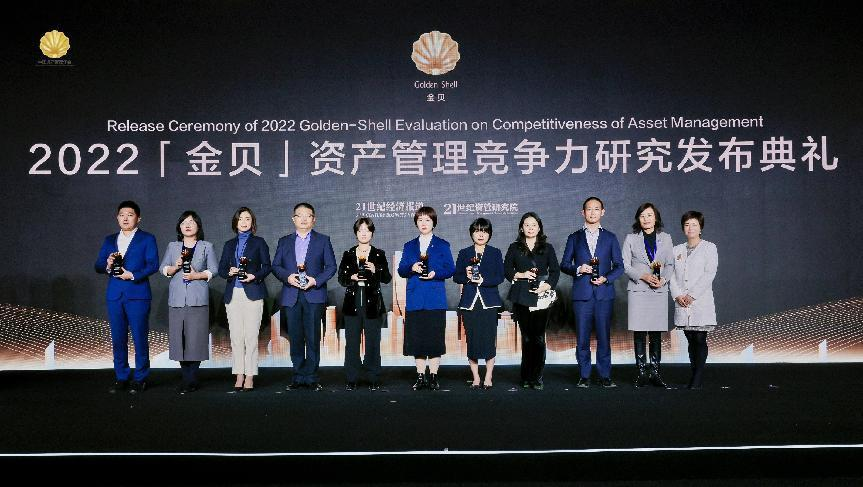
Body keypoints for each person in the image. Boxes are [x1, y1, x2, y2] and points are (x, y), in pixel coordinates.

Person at [94, 200, 159, 394]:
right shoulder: (109, 240)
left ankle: (140, 378)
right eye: (122, 215)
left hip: (138, 294)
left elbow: (153, 265)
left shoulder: (147, 238)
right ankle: (121, 377)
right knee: (118, 338)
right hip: (115, 295)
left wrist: (132, 275)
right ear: (117, 218)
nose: (125, 218)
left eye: (130, 215)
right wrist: (107, 264)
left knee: (140, 338)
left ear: (138, 218)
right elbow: (97, 266)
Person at [560, 197, 624, 388]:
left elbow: (619, 266)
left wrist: (606, 278)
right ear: (583, 212)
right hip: (582, 295)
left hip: (604, 294)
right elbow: (564, 264)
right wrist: (579, 269)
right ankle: (584, 375)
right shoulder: (574, 237)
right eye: (589, 209)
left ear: (602, 212)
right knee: (582, 338)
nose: (593, 212)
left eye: (596, 209)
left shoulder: (610, 237)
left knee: (604, 337)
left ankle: (605, 375)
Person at [272, 202, 336, 391]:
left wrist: (315, 280)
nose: (304, 219)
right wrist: (288, 277)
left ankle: (312, 377)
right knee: (296, 337)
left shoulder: (323, 240)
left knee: (313, 337)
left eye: (308, 215)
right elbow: (276, 266)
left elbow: (331, 267)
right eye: (299, 215)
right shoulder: (284, 241)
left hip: (313, 295)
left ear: (314, 220)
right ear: (294, 219)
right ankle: (298, 376)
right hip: (291, 295)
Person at [159, 211, 218, 393]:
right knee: (179, 340)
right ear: (179, 227)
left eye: (191, 221)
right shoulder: (173, 246)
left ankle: (191, 379)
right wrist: (175, 266)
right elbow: (163, 269)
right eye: (184, 222)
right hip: (177, 300)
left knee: (196, 340)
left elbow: (214, 270)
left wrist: (196, 275)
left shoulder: (206, 246)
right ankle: (187, 378)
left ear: (198, 226)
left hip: (198, 299)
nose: (187, 225)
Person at [397, 206, 455, 391]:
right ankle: (420, 376)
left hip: (435, 299)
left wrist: (435, 273)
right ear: (416, 222)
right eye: (420, 220)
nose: (423, 223)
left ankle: (434, 376)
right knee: (417, 340)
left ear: (434, 223)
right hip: (415, 299)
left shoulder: (442, 245)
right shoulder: (409, 245)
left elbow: (450, 269)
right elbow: (401, 270)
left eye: (427, 220)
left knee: (435, 339)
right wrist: (411, 268)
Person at [504, 212, 560, 390]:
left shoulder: (547, 247)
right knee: (527, 337)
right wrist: (521, 274)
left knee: (538, 338)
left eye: (534, 225)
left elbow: (555, 271)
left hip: (541, 296)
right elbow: (507, 270)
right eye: (527, 225)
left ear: (539, 227)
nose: (530, 228)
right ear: (521, 228)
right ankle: (526, 376)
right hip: (521, 295)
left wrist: (547, 286)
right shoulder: (514, 247)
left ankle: (537, 377)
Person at [218, 207, 271, 392]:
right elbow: (221, 269)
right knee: (236, 338)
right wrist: (229, 271)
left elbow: (267, 267)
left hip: (253, 293)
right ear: (235, 222)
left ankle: (250, 375)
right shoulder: (229, 244)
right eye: (240, 218)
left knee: (251, 337)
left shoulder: (259, 242)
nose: (244, 222)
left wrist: (253, 276)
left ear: (252, 222)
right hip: (233, 294)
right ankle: (239, 374)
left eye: (247, 218)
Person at [622, 203, 674, 388]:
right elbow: (625, 265)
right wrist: (643, 276)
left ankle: (655, 373)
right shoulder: (631, 238)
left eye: (649, 215)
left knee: (655, 333)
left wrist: (664, 280)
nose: (646, 219)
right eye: (642, 215)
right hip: (638, 290)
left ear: (656, 217)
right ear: (638, 219)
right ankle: (642, 373)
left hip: (658, 290)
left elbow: (670, 264)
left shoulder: (666, 238)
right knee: (639, 332)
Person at [337, 217, 392, 391]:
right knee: (352, 343)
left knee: (373, 342)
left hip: (373, 303)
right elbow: (341, 278)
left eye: (367, 230)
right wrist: (351, 277)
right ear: (356, 233)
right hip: (352, 303)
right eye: (360, 230)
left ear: (372, 233)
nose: (363, 233)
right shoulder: (348, 254)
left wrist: (376, 270)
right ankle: (351, 378)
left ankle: (373, 377)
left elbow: (387, 278)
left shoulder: (379, 254)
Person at [453, 218, 505, 389]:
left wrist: (483, 280)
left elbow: (500, 277)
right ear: (471, 233)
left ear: (489, 234)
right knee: (472, 340)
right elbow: (456, 277)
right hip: (469, 303)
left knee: (489, 340)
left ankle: (488, 377)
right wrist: (466, 276)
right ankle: (475, 377)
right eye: (477, 231)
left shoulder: (495, 252)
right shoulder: (464, 253)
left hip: (489, 302)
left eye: (484, 231)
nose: (481, 234)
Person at [669, 211, 718, 389]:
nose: (690, 228)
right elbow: (670, 275)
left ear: (700, 228)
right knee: (690, 338)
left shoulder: (709, 248)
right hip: (681, 301)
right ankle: (694, 374)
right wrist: (677, 295)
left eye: (694, 225)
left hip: (700, 301)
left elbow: (709, 273)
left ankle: (697, 378)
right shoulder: (676, 250)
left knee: (699, 338)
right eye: (687, 225)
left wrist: (692, 295)